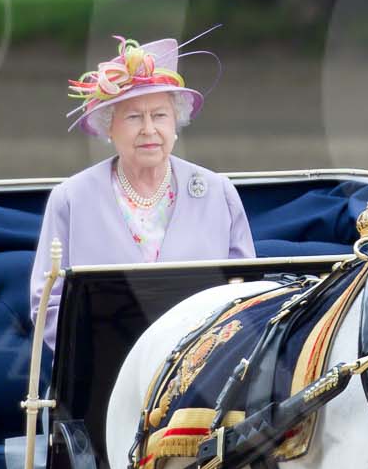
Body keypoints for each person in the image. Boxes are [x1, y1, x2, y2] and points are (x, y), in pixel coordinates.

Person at [30, 33, 254, 349]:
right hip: (102, 370)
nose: (149, 129)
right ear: (108, 126)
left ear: (176, 121)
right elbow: (47, 304)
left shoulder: (219, 194)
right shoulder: (71, 199)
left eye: (160, 115)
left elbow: (246, 292)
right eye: (134, 117)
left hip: (200, 370)